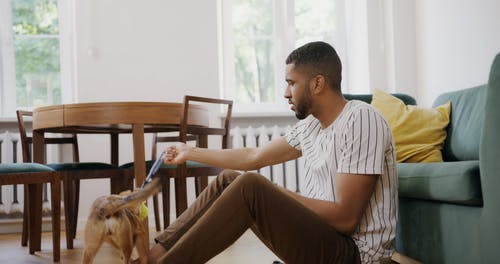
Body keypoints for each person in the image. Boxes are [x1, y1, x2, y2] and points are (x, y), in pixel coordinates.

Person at [147, 41, 397, 263]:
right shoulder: (311, 125)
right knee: (229, 179)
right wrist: (190, 152)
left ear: (317, 83)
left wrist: (273, 192)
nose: (286, 93)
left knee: (250, 186)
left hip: (356, 255)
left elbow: (345, 219)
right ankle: (154, 256)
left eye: (291, 83)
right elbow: (253, 156)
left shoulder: (361, 119)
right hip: (323, 238)